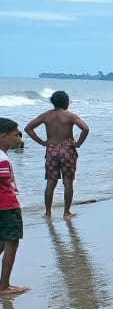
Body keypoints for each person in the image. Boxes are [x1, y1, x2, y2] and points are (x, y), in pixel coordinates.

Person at [23, 90, 89, 218]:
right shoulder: (70, 116)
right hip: (67, 149)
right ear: (66, 102)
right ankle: (66, 212)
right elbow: (85, 128)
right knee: (68, 182)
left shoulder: (46, 115)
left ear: (53, 102)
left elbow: (28, 128)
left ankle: (48, 213)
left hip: (51, 150)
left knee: (51, 182)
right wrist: (78, 143)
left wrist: (42, 142)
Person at [0, 118, 28, 296]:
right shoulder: (2, 159)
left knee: (2, 242)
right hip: (7, 205)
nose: (19, 138)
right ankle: (4, 286)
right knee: (12, 242)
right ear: (3, 136)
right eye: (16, 135)